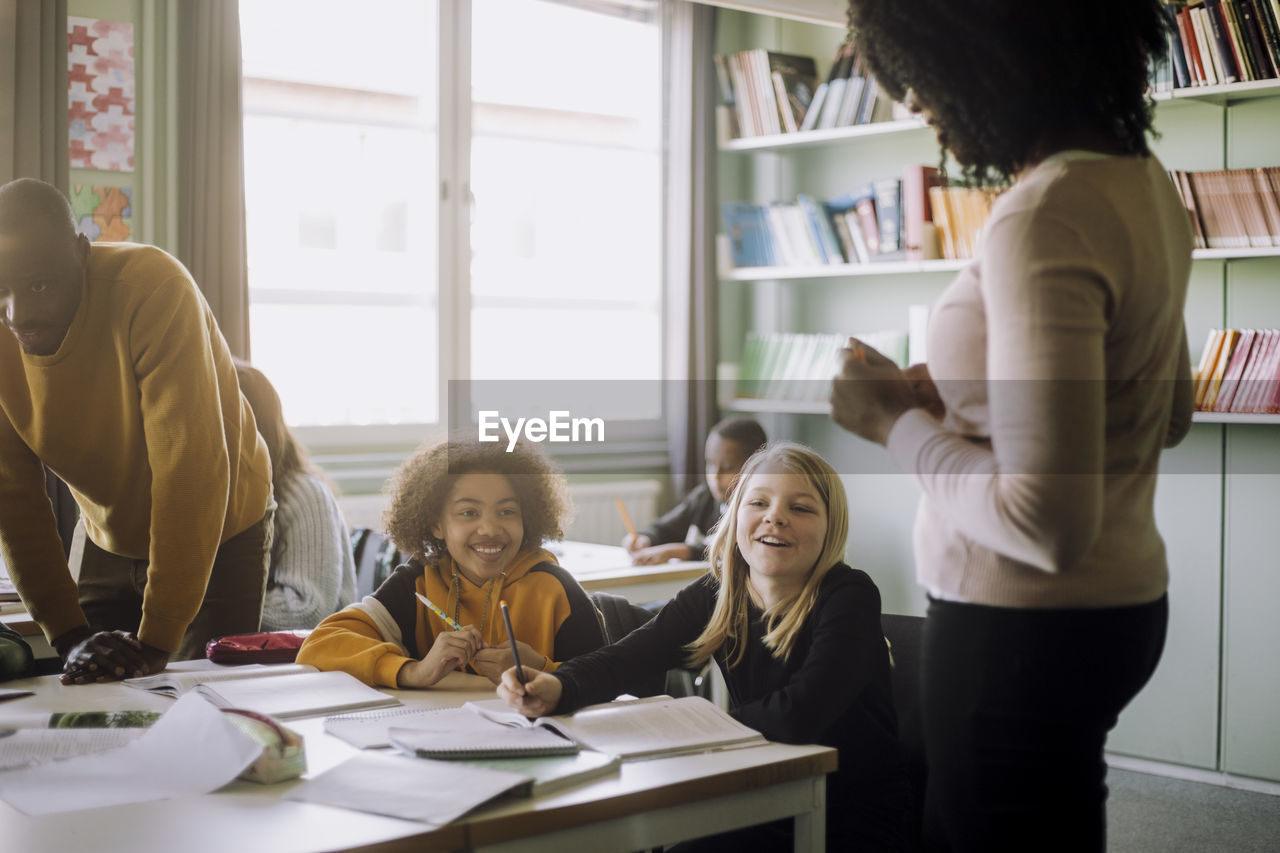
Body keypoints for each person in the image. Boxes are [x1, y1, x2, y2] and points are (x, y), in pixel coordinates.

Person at [830, 3, 1192, 850]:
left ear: (984, 55)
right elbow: (1163, 414)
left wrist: (892, 424)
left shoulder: (1041, 215)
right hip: (1118, 611)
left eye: (920, 80)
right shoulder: (1141, 181)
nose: (919, 106)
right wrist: (963, 406)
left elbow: (1048, 523)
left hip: (1016, 628)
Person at [500, 441, 911, 851]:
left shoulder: (849, 595)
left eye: (800, 508)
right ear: (735, 518)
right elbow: (631, 656)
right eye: (758, 503)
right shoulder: (719, 592)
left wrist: (695, 728)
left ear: (830, 528)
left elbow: (801, 713)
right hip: (758, 789)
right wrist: (559, 686)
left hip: (849, 809)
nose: (775, 518)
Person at [0, 178, 274, 683]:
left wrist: (157, 640)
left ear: (82, 253)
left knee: (194, 700)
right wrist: (68, 636)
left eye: (40, 284)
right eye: (2, 290)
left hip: (218, 529)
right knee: (96, 696)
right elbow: (13, 499)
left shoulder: (152, 289)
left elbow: (187, 469)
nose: (19, 315)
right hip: (108, 532)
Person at [296, 438, 605, 687]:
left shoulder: (554, 587)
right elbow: (319, 645)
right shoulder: (419, 582)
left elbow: (608, 676)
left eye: (507, 511)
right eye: (469, 513)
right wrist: (412, 672)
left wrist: (540, 668)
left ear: (528, 518)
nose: (490, 529)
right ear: (436, 525)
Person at [234, 360, 356, 630]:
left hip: (308, 658)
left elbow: (305, 611)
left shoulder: (304, 494)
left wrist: (193, 608)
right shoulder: (222, 494)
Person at [623, 417, 766, 565]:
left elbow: (729, 549)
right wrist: (645, 538)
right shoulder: (704, 498)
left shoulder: (758, 510)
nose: (715, 476)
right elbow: (666, 528)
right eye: (710, 464)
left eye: (727, 467)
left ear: (754, 468)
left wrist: (677, 552)